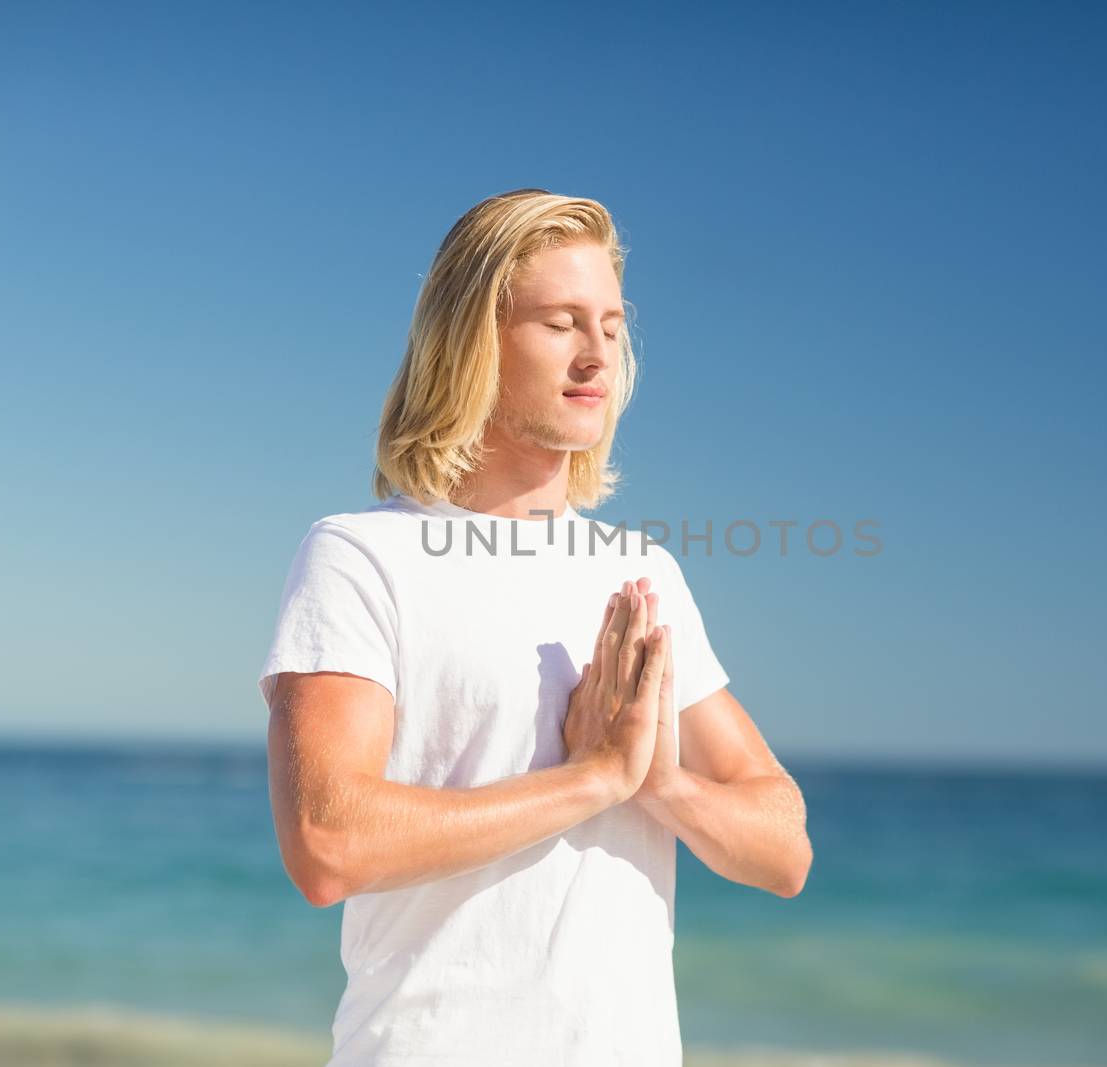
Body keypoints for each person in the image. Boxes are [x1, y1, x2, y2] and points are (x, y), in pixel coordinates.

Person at [257, 188, 811, 1066]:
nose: (597, 355)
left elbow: (784, 848)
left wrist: (656, 784)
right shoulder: (362, 556)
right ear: (473, 340)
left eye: (613, 325)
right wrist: (591, 779)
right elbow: (329, 842)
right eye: (561, 323)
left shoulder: (641, 573)